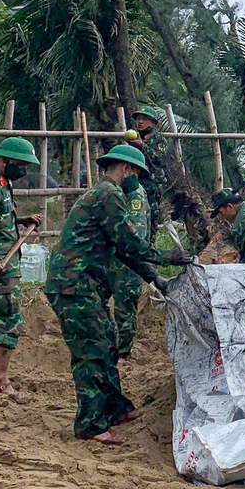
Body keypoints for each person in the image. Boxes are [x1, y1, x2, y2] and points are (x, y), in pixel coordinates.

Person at [45, 145, 193, 445]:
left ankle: (115, 408)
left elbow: (124, 252)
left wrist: (156, 280)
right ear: (126, 169)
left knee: (108, 342)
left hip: (85, 286)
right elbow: (131, 245)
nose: (137, 180)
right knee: (93, 351)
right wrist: (169, 257)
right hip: (74, 285)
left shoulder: (105, 195)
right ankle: (90, 424)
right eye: (136, 173)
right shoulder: (108, 195)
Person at [0, 137, 42, 402]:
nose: (23, 170)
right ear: (5, 160)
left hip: (6, 260)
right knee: (8, 320)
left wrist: (22, 220)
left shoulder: (2, 183)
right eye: (20, 164)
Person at [128, 105, 211, 247]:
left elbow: (159, 160)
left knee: (150, 219)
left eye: (145, 119)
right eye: (138, 119)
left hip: (151, 188)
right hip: (135, 186)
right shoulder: (135, 141)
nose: (140, 122)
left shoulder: (158, 140)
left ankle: (149, 249)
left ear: (154, 123)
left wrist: (142, 146)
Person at [103, 153, 152, 364]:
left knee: (124, 307)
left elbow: (135, 236)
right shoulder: (117, 193)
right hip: (112, 261)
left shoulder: (136, 196)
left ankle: (124, 353)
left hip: (128, 264)